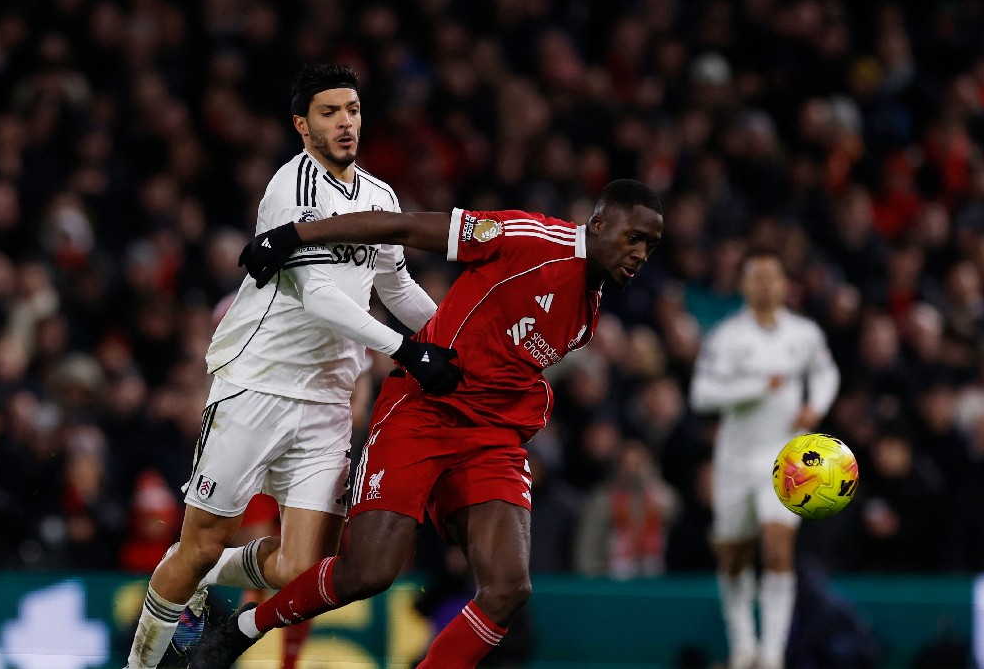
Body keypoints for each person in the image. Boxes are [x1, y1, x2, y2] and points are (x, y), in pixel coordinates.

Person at [186, 179, 665, 669]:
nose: (641, 253)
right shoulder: (531, 239)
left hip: (492, 438)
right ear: (599, 223)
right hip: (424, 412)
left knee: (508, 588)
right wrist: (295, 235)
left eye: (651, 245)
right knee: (369, 571)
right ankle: (245, 627)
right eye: (634, 238)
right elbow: (406, 226)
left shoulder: (590, 307)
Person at [124, 63, 461, 669]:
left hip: (330, 399)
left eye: (353, 110)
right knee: (199, 544)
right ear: (302, 125)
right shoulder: (290, 190)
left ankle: (193, 576)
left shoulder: (381, 196)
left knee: (303, 569)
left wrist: (455, 339)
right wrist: (408, 351)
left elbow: (397, 283)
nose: (345, 123)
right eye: (330, 112)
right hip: (258, 383)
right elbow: (318, 296)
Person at [688, 248, 840, 669]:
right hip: (735, 460)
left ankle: (772, 654)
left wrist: (816, 406)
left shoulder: (805, 334)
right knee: (733, 557)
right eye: (757, 277)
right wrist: (756, 387)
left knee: (777, 548)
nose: (766, 284)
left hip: (786, 458)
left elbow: (827, 373)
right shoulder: (727, 337)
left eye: (773, 277)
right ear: (744, 285)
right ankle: (743, 647)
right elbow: (702, 394)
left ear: (784, 284)